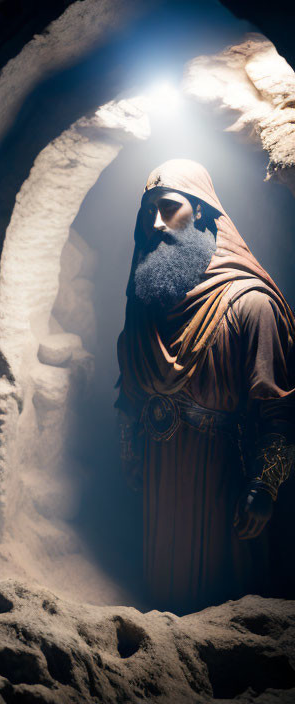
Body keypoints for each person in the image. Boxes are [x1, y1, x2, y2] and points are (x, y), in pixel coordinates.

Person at [116, 159, 294, 614]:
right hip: (158, 483)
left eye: (169, 207)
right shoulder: (147, 304)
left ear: (201, 212)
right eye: (147, 211)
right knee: (161, 603)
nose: (155, 223)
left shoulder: (249, 304)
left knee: (220, 609)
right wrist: (131, 453)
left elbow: (280, 413)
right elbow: (131, 394)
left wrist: (264, 486)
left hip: (220, 481)